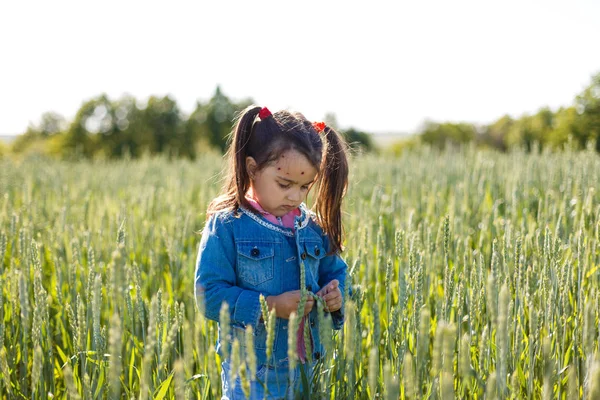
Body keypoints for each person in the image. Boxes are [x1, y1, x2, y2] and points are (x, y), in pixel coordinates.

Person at [194, 105, 350, 399]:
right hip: (253, 371)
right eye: (284, 184)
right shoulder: (229, 225)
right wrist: (270, 306)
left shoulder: (313, 226)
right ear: (252, 168)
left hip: (309, 367)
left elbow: (337, 272)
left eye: (305, 186)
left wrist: (336, 295)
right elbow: (209, 294)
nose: (295, 196)